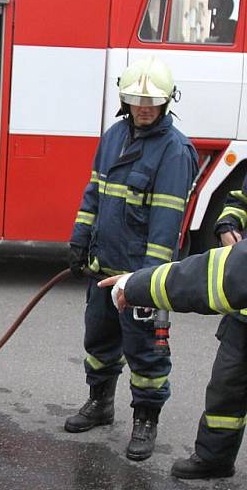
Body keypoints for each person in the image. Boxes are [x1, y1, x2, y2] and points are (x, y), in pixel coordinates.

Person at [65, 56, 198, 461]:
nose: (144, 107)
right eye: (136, 99)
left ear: (166, 102)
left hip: (139, 276)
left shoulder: (175, 151)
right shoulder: (114, 136)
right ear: (124, 99)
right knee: (99, 341)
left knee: (146, 353)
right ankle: (100, 403)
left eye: (152, 101)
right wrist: (79, 238)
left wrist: (148, 282)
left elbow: (165, 225)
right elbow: (95, 193)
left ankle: (145, 421)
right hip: (103, 267)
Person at [109, 176, 247, 480]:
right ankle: (215, 458)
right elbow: (240, 200)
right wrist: (227, 224)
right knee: (227, 386)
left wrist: (138, 285)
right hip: (243, 313)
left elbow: (219, 277)